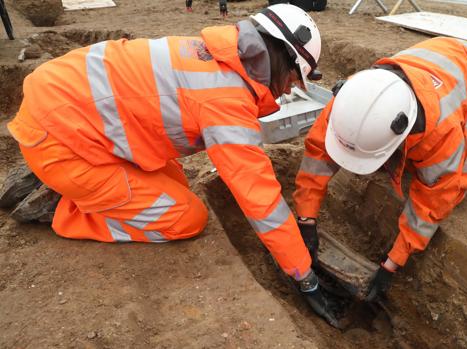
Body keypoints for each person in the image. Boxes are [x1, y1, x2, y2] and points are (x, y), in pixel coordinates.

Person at [7, 4, 339, 327]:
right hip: (61, 139)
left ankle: (65, 178)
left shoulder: (217, 56)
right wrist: (303, 276)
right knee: (186, 218)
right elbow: (260, 198)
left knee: (176, 184)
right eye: (295, 81)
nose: (289, 92)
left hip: (67, 113)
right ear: (283, 62)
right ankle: (67, 208)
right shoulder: (226, 99)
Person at [293, 37, 467, 301]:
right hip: (438, 58)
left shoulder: (443, 134)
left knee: (462, 179)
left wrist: (392, 263)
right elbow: (319, 150)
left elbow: (432, 201)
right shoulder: (356, 96)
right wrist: (306, 218)